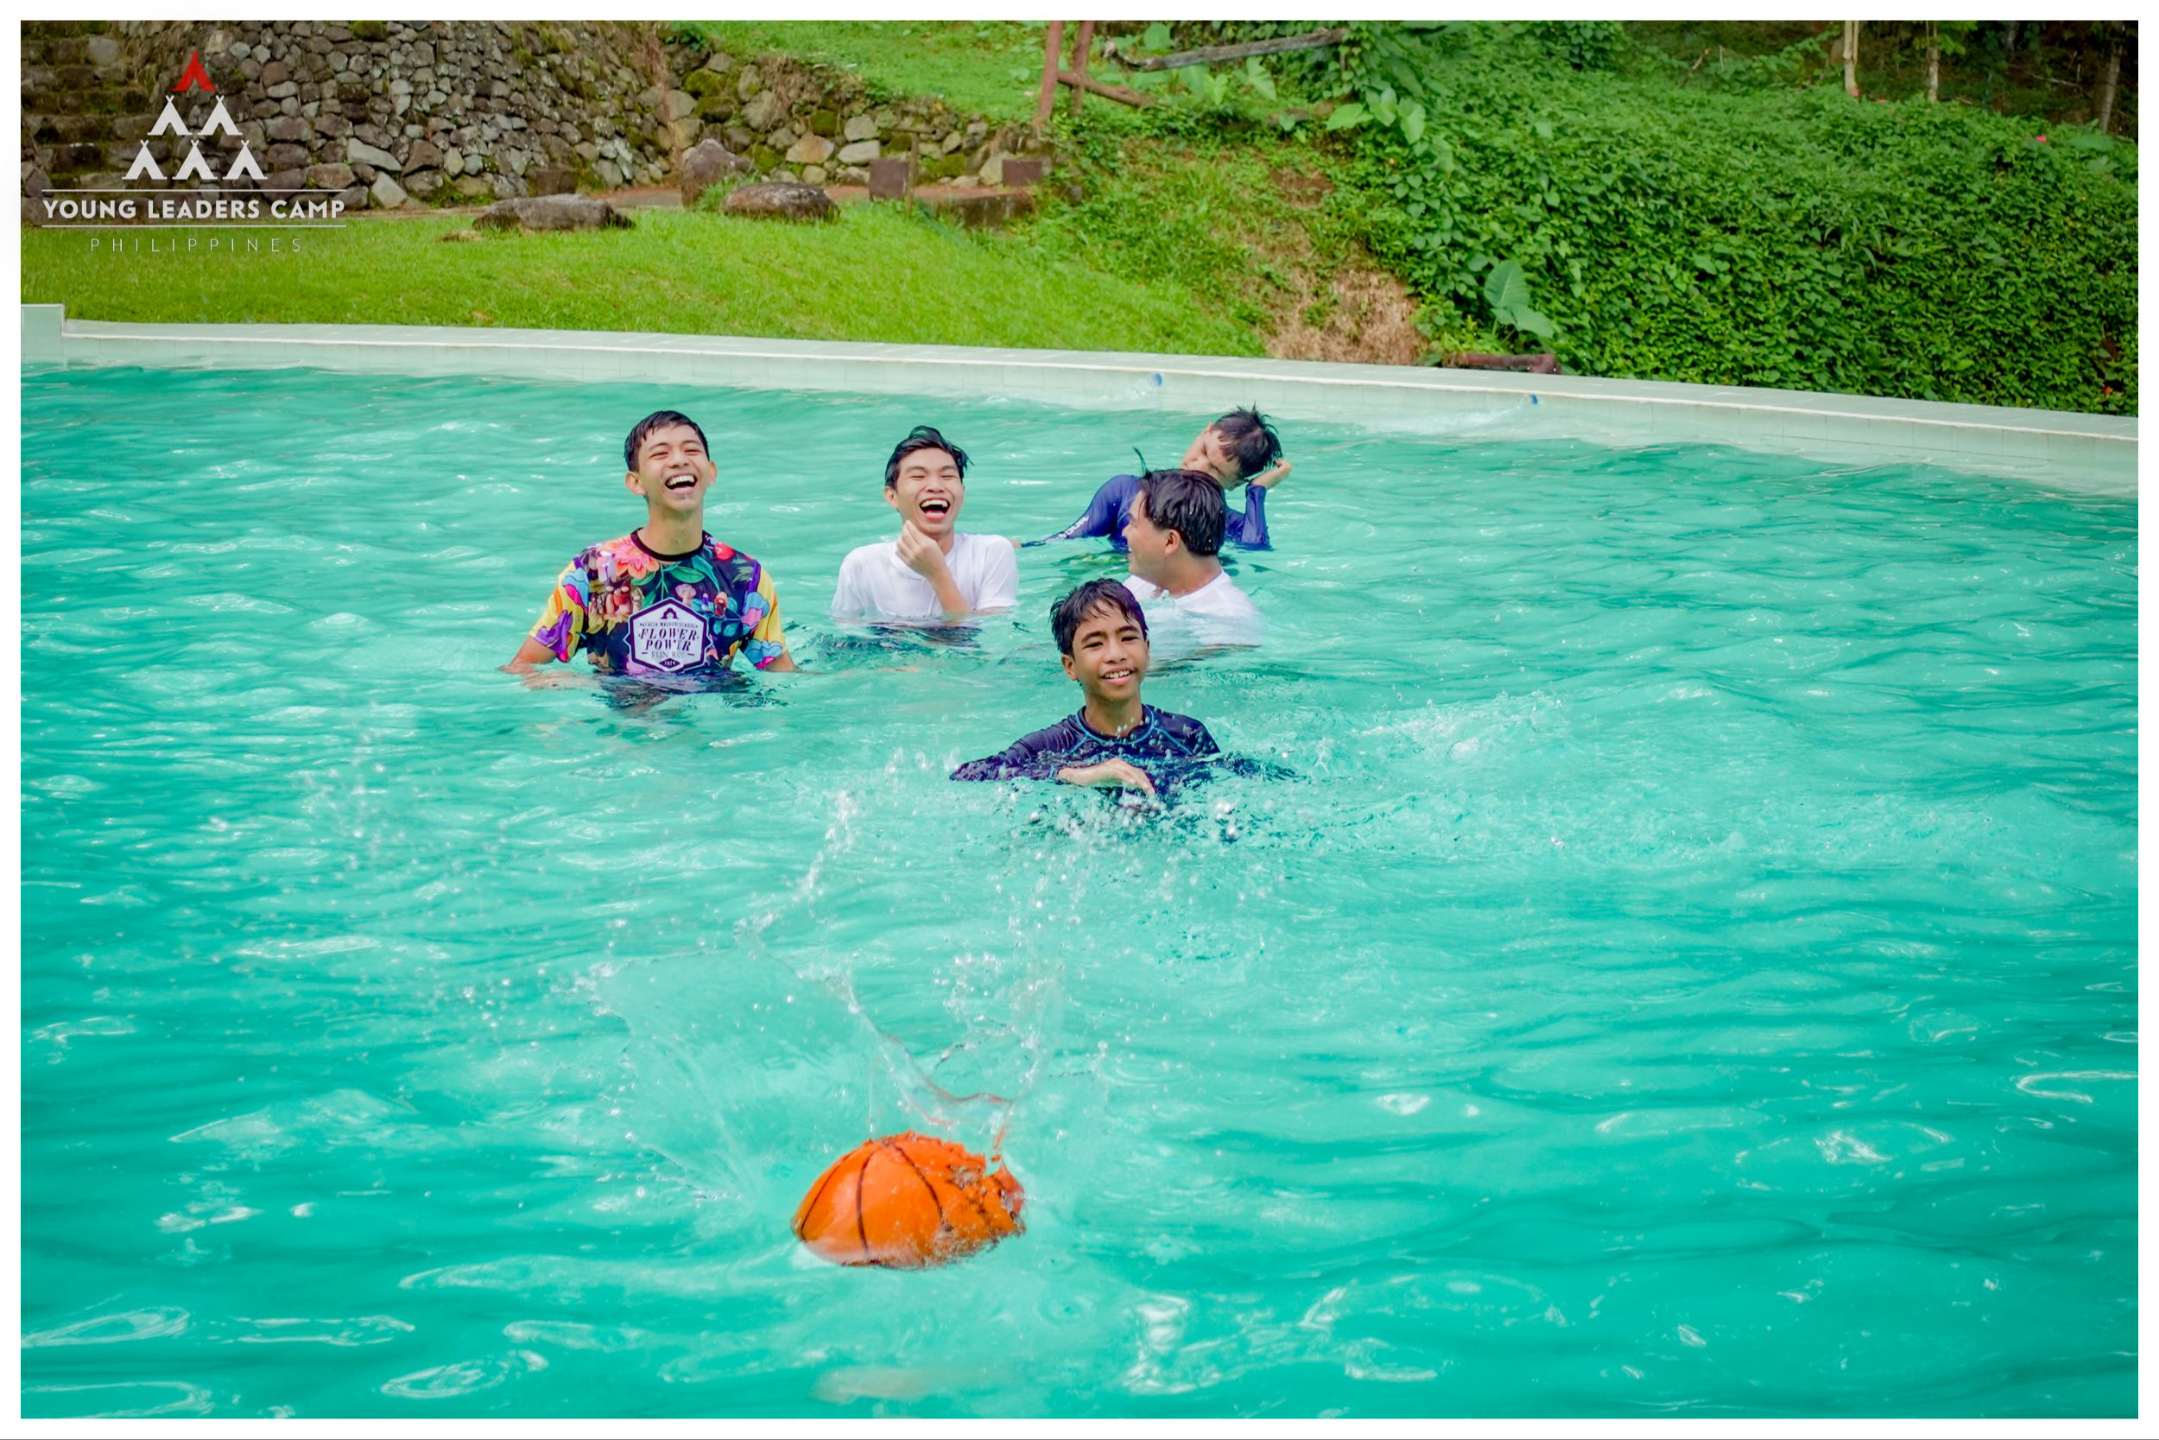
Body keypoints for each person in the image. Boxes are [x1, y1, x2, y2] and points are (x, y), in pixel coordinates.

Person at [507, 409, 797, 677]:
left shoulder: (744, 577)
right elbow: (521, 668)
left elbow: (785, 678)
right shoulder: (593, 571)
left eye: (691, 450)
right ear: (636, 482)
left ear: (711, 472)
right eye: (660, 453)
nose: (679, 460)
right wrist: (578, 683)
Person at [951, 579, 1228, 798]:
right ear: (1070, 666)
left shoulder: (1186, 735)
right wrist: (1074, 775)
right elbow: (968, 774)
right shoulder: (1052, 747)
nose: (1115, 654)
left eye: (1128, 638)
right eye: (1095, 644)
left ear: (1147, 649)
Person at [1025, 406, 1289, 551]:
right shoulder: (1126, 492)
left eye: (1215, 471)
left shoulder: (1226, 524)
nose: (1196, 468)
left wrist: (1256, 491)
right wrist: (1017, 547)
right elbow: (1063, 543)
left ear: (1235, 484)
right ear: (1204, 432)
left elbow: (1255, 552)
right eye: (1202, 451)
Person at [831, 425, 1018, 623]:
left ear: (962, 493)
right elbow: (844, 634)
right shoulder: (862, 565)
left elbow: (991, 637)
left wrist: (938, 574)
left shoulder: (991, 553)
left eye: (947, 476)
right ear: (892, 496)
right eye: (918, 476)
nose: (936, 486)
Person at [1120, 469, 1265, 646]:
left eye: (1133, 524)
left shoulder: (1229, 623)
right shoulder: (1141, 583)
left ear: (1170, 541)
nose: (1125, 532)